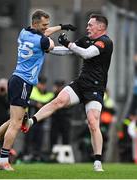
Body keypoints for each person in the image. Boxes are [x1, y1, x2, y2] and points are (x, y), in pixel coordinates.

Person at [0, 9, 76, 171]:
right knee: (16, 123)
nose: (47, 27)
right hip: (23, 83)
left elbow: (44, 33)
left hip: (16, 80)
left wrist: (61, 26)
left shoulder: (24, 32)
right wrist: (68, 44)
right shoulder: (43, 41)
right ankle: (4, 159)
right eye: (44, 25)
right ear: (36, 24)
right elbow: (50, 44)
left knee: (13, 120)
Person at [23, 13, 113, 171]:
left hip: (95, 88)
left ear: (101, 27)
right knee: (58, 101)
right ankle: (30, 122)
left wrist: (68, 43)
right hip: (81, 84)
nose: (87, 27)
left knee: (93, 123)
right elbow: (67, 51)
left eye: (90, 25)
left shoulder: (105, 42)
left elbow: (86, 53)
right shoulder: (85, 40)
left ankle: (97, 161)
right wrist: (48, 49)